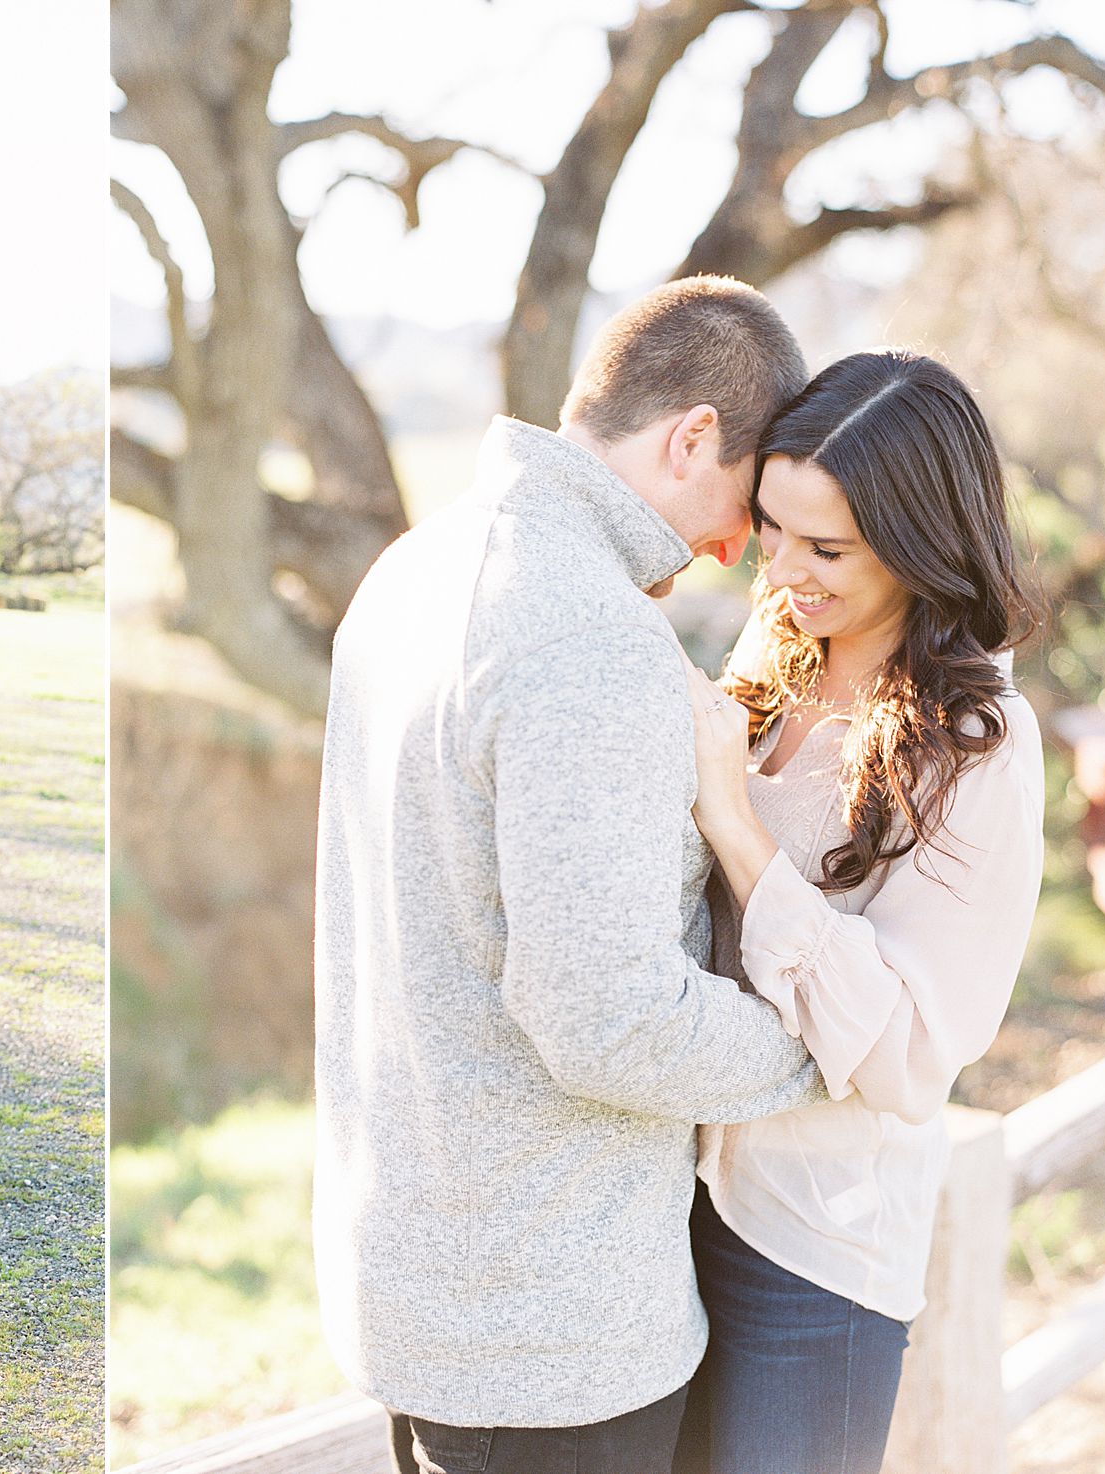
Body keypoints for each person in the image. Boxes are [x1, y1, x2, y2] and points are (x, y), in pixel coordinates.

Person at [314, 276, 827, 1474]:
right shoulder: (584, 628)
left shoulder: (414, 567)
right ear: (691, 437)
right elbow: (609, 1016)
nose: (739, 547)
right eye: (747, 500)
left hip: (426, 1287)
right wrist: (825, 1041)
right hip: (550, 1335)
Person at [672, 350, 1045, 1474]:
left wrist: (736, 828)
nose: (781, 569)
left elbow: (908, 1058)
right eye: (771, 527)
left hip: (813, 1255)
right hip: (667, 1204)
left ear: (919, 543)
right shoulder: (775, 653)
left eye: (825, 548)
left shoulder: (977, 745)